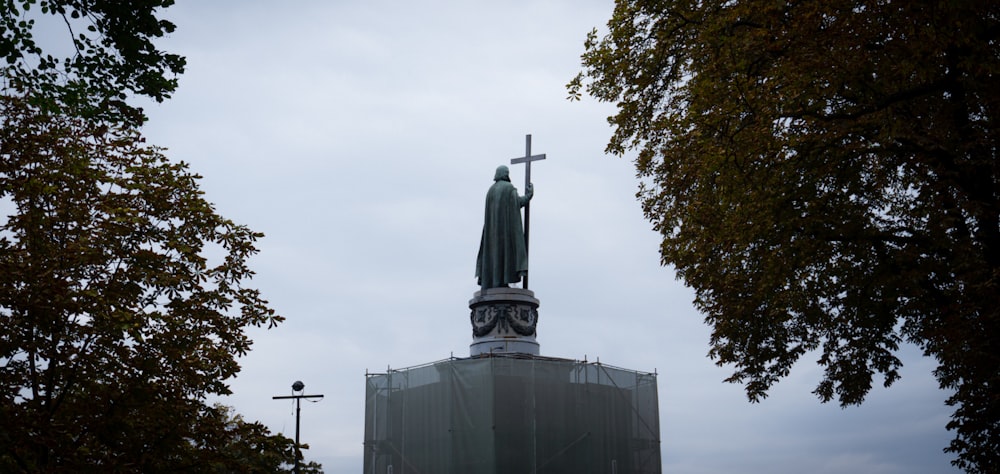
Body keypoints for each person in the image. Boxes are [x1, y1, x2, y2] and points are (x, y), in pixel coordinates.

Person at [476, 165, 533, 289]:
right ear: (506, 174)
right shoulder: (508, 189)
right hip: (506, 232)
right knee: (505, 254)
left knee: (494, 255)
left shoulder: (490, 191)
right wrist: (528, 196)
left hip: (491, 234)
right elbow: (517, 203)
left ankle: (493, 281)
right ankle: (503, 282)